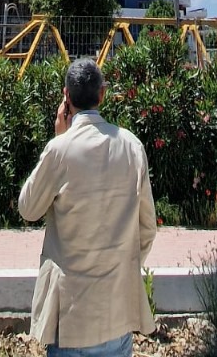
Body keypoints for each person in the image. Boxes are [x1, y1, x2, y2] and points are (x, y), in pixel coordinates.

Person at [18, 57, 157, 357]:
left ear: (66, 97)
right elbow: (148, 227)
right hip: (116, 313)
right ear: (102, 94)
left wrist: (59, 140)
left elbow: (28, 209)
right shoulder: (133, 147)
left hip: (71, 319)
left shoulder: (60, 149)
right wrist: (121, 263)